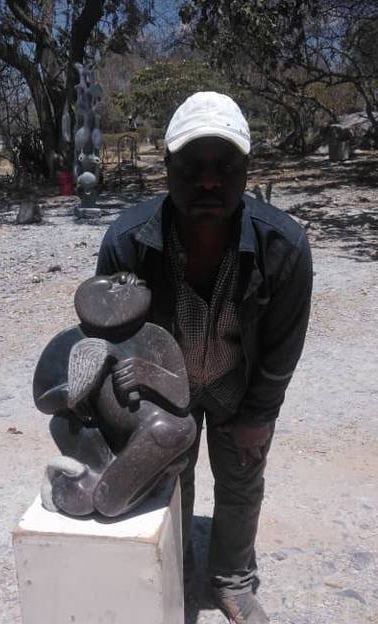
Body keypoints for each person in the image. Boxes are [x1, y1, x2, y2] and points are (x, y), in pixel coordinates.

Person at [96, 91, 312, 624]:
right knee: (172, 474)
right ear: (166, 168)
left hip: (237, 381)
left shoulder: (283, 245)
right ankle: (176, 567)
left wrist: (259, 415)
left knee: (241, 475)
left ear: (246, 170)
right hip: (165, 383)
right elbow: (103, 335)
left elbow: (284, 344)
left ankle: (231, 579)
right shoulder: (127, 243)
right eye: (193, 166)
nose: (209, 180)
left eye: (225, 166)